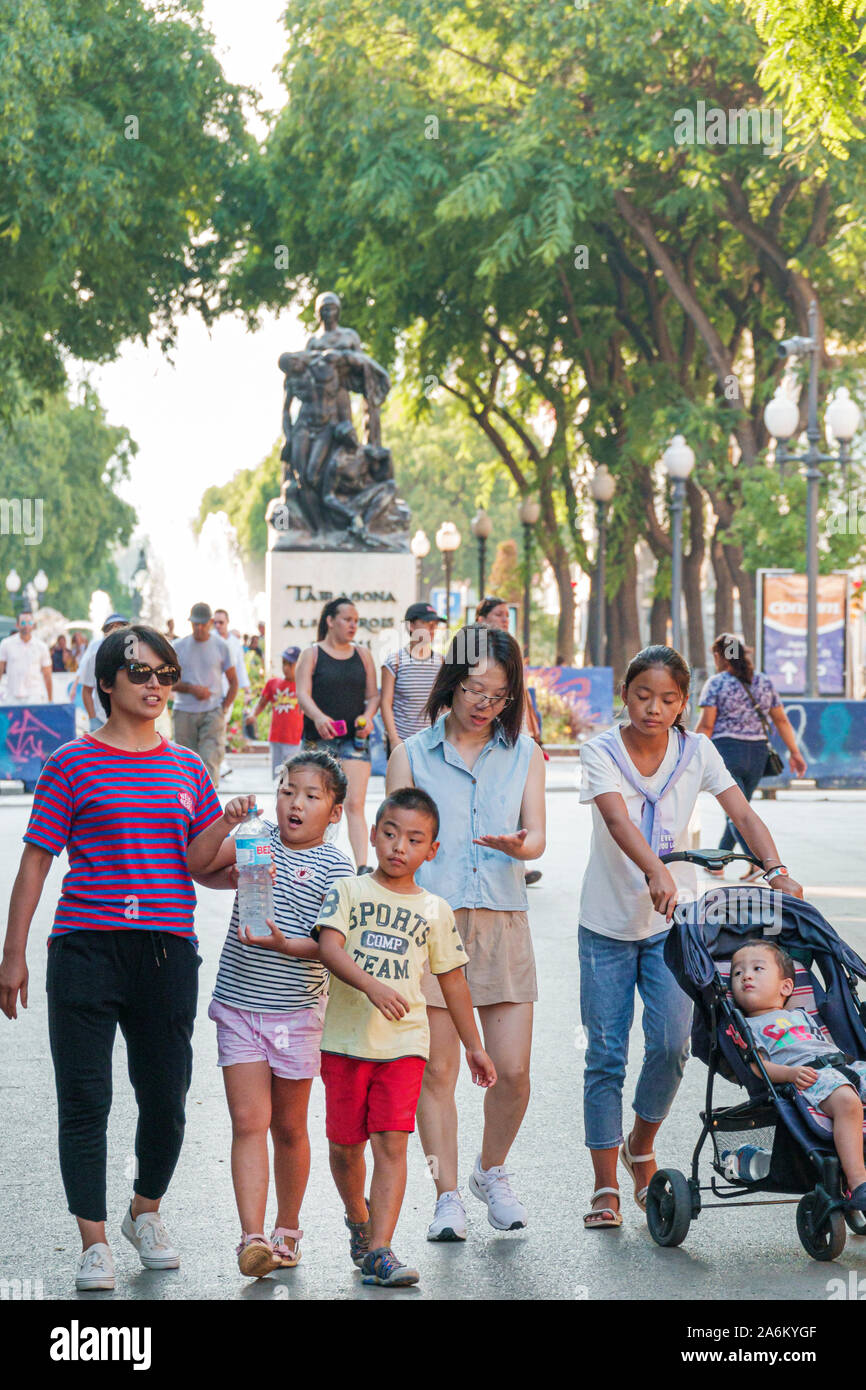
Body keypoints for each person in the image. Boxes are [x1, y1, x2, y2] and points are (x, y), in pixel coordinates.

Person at [0, 625, 225, 1292]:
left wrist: (243, 857)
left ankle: (143, 1211)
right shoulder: (71, 762)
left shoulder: (189, 768)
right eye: (141, 673)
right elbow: (37, 861)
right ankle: (93, 1241)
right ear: (105, 683)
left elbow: (201, 865)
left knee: (167, 1101)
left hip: (166, 952)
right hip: (85, 949)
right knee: (85, 1099)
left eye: (165, 673)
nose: (156, 685)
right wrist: (13, 955)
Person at [577, 644, 803, 1231]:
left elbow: (743, 814)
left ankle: (640, 1144)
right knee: (604, 1056)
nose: (654, 708)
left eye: (668, 698)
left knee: (673, 1045)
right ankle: (605, 1185)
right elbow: (618, 820)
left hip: (674, 928)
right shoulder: (600, 750)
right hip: (606, 924)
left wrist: (776, 869)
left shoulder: (697, 750)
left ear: (683, 702)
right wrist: (655, 869)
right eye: (643, 695)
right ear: (625, 694)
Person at [386, 624, 545, 1240]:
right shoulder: (413, 756)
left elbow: (536, 836)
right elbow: (394, 842)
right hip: (430, 926)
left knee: (513, 1072)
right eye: (475, 687)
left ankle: (491, 1170)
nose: (484, 703)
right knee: (437, 1073)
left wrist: (520, 845)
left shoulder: (524, 754)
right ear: (450, 683)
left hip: (503, 919)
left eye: (499, 694)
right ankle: (446, 1193)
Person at [312, 788, 497, 1286]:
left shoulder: (436, 909)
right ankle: (358, 1217)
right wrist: (371, 986)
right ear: (372, 834)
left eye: (414, 839)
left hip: (405, 1045)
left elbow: (453, 982)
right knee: (344, 1147)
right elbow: (328, 948)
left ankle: (381, 1250)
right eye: (390, 833)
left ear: (431, 850)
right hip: (345, 1043)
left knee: (391, 1142)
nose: (399, 846)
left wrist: (474, 1045)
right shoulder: (348, 891)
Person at [186, 752, 355, 1275]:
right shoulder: (257, 838)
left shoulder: (338, 867)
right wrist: (227, 821)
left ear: (335, 812)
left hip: (297, 1013)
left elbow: (332, 947)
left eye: (311, 795)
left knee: (288, 1126)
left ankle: (288, 1229)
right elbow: (195, 865)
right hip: (238, 1005)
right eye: (287, 791)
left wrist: (287, 945)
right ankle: (251, 1238)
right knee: (247, 1122)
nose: (295, 803)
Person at [731, 939, 866, 1210]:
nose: (745, 975)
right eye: (736, 973)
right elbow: (757, 1067)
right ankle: (858, 1182)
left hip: (842, 1066)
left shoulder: (801, 1014)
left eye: (758, 969)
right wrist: (790, 1074)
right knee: (847, 1102)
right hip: (810, 1077)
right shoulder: (748, 1026)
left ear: (786, 987)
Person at [696, 634, 807, 880]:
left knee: (736, 811)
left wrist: (687, 751)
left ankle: (757, 862)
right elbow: (781, 720)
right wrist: (795, 752)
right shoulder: (764, 682)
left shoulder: (717, 683)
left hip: (727, 752)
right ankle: (717, 863)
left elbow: (706, 725)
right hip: (757, 754)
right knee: (739, 807)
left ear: (720, 656)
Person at [296, 597, 379, 868]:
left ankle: (363, 867)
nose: (353, 625)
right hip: (318, 739)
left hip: (354, 740)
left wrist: (367, 717)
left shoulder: (363, 655)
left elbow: (373, 696)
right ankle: (311, 862)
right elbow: (302, 695)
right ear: (330, 621)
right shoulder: (312, 654)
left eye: (356, 621)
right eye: (347, 619)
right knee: (315, 802)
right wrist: (319, 717)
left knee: (355, 803)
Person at [475, 596, 543, 887]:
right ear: (481, 619)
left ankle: (519, 858)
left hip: (516, 731)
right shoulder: (470, 647)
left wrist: (533, 724)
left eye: (506, 615)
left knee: (514, 801)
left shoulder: (510, 648)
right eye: (498, 614)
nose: (504, 619)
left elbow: (521, 690)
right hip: (488, 735)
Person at [172, 602, 238, 789]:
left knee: (210, 760)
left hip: (212, 710)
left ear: (210, 622)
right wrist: (191, 689)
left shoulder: (221, 646)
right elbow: (168, 682)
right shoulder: (179, 646)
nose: (199, 628)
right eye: (195, 624)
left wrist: (224, 708)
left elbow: (234, 681)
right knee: (185, 765)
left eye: (203, 624)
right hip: (184, 711)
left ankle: (208, 808)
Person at [380, 603, 446, 752]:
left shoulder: (442, 662)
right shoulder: (395, 662)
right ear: (411, 626)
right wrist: (394, 739)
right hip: (403, 743)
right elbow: (385, 703)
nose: (432, 628)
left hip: (433, 743)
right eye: (427, 623)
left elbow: (445, 706)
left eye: (435, 624)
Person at [253, 646, 304, 779]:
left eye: (290, 664)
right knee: (278, 776)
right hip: (277, 737)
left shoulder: (304, 687)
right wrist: (253, 716)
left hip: (295, 739)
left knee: (292, 775)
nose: (286, 667)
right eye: (284, 663)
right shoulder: (273, 683)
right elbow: (262, 702)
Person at [213, 608, 251, 781]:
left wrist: (246, 688)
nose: (218, 625)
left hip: (229, 692)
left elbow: (240, 667)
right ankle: (219, 764)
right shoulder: (210, 639)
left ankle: (219, 764)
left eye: (221, 622)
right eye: (215, 622)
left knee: (221, 728)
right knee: (215, 729)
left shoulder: (234, 642)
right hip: (211, 694)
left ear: (227, 622)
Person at [79, 614, 129, 731]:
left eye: (121, 627)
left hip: (130, 721)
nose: (116, 631)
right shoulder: (94, 659)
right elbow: (86, 691)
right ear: (105, 633)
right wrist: (93, 718)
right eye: (111, 628)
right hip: (101, 720)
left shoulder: (137, 658)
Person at [0, 612, 52, 704]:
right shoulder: (6, 644)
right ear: (17, 625)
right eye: (23, 623)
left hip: (34, 696)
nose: (26, 626)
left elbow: (47, 675)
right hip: (12, 696)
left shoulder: (41, 646)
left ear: (33, 625)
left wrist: (50, 700)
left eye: (29, 623)